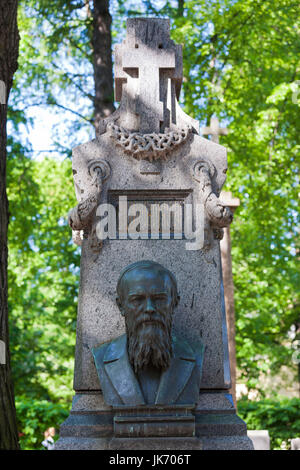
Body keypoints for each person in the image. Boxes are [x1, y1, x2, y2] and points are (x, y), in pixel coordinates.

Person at [92, 260, 204, 406]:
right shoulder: (102, 356)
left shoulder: (194, 353)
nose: (150, 308)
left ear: (174, 303)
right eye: (137, 300)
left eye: (159, 299)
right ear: (121, 306)